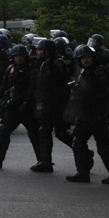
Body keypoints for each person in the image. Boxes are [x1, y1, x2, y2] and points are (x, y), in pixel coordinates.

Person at [66, 45, 109, 184]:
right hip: (86, 114)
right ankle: (83, 172)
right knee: (78, 142)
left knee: (102, 145)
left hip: (97, 114)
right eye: (83, 58)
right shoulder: (84, 71)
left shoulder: (99, 71)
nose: (86, 60)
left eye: (88, 57)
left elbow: (102, 93)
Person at [0, 45, 40, 169]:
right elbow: (5, 84)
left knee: (35, 134)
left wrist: (26, 103)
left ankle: (43, 161)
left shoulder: (31, 71)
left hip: (26, 107)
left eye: (21, 56)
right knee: (3, 129)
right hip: (13, 106)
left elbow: (32, 89)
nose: (19, 59)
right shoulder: (11, 68)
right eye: (16, 56)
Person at [30, 38, 74, 173]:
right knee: (44, 131)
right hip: (47, 105)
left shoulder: (58, 64)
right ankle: (45, 162)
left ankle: (83, 153)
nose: (37, 52)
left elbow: (65, 86)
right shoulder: (43, 64)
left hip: (58, 105)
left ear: (47, 51)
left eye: (40, 50)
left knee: (62, 133)